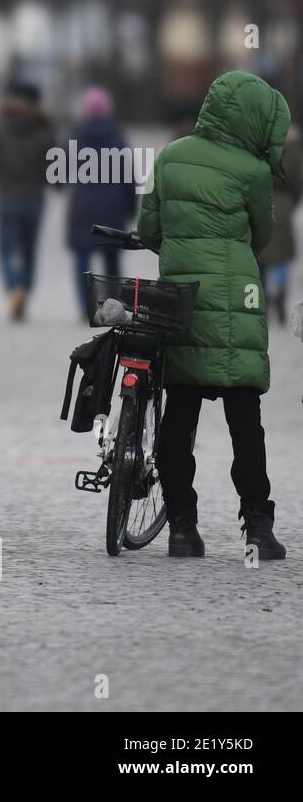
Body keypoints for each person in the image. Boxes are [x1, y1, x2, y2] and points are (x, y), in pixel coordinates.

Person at [139, 71, 292, 560]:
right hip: (236, 305)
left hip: (181, 302)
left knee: (178, 416)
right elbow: (263, 235)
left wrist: (181, 251)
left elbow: (148, 228)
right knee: (245, 421)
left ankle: (182, 527)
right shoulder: (252, 171)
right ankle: (258, 528)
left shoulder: (169, 157)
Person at [0, 79, 56, 321]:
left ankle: (14, 289)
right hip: (34, 201)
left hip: (6, 199)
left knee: (5, 250)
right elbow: (54, 167)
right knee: (29, 251)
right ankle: (24, 289)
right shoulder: (43, 130)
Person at [61, 86, 136, 322]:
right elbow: (128, 175)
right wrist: (131, 205)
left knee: (83, 258)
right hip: (112, 205)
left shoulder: (76, 134)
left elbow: (59, 169)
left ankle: (87, 308)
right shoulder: (116, 135)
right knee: (112, 257)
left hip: (83, 205)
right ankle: (113, 308)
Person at [257, 125, 302, 324]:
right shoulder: (294, 153)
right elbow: (299, 184)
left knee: (262, 256)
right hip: (284, 204)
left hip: (262, 203)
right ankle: (281, 298)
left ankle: (263, 299)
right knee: (282, 257)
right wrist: (290, 203)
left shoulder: (261, 148)